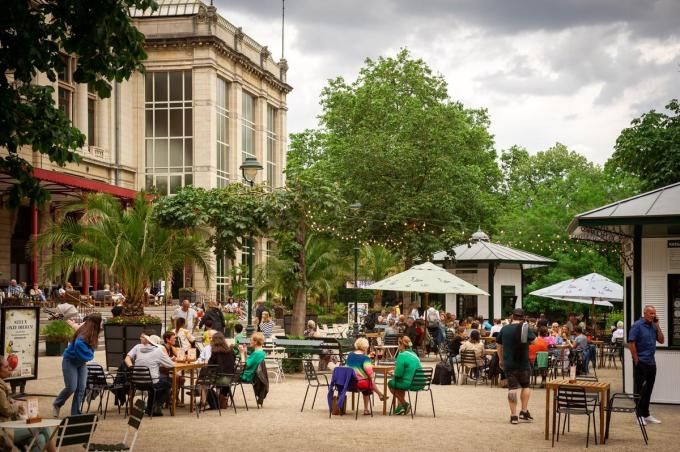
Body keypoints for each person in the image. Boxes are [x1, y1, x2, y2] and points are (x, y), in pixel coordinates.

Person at [0, 357, 57, 452]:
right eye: (6, 367)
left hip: (8, 425)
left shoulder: (2, 386)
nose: (10, 368)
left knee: (40, 439)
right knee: (42, 426)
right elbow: (7, 410)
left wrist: (12, 402)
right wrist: (17, 405)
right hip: (4, 431)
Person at [52, 313, 101, 417]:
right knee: (71, 387)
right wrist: (89, 355)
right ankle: (57, 404)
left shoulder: (92, 329)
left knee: (81, 387)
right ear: (97, 322)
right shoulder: (85, 330)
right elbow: (79, 343)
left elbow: (74, 326)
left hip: (81, 363)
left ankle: (75, 413)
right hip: (70, 361)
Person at [496, 308, 536, 425]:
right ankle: (523, 411)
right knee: (525, 386)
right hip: (523, 362)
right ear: (523, 317)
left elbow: (498, 345)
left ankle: (513, 416)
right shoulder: (525, 328)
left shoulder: (505, 329)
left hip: (509, 362)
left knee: (512, 388)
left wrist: (501, 359)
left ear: (512, 316)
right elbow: (534, 341)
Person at [629, 305, 664, 425]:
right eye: (651, 313)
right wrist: (636, 360)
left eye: (654, 313)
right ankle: (639, 416)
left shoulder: (654, 326)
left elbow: (661, 340)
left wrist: (658, 325)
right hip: (641, 362)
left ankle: (646, 414)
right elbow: (631, 342)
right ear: (645, 313)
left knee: (649, 389)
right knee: (640, 390)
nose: (653, 315)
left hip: (651, 362)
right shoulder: (637, 325)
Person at [125, 331, 174, 416]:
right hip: (151, 382)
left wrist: (131, 367)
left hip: (136, 382)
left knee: (159, 380)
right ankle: (154, 407)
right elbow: (170, 365)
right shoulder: (158, 350)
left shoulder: (137, 347)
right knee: (168, 383)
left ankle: (150, 408)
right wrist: (160, 361)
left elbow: (127, 358)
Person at [346, 338, 387, 415]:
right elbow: (370, 373)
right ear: (365, 347)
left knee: (367, 381)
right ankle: (366, 408)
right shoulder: (365, 358)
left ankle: (380, 394)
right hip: (359, 384)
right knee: (369, 381)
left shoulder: (350, 355)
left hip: (348, 382)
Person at [388, 336, 422, 415]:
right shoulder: (414, 354)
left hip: (411, 383)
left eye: (399, 344)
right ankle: (400, 408)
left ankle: (405, 404)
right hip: (420, 382)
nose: (398, 346)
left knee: (391, 383)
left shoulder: (402, 355)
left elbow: (398, 374)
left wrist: (393, 373)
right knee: (399, 382)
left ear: (402, 345)